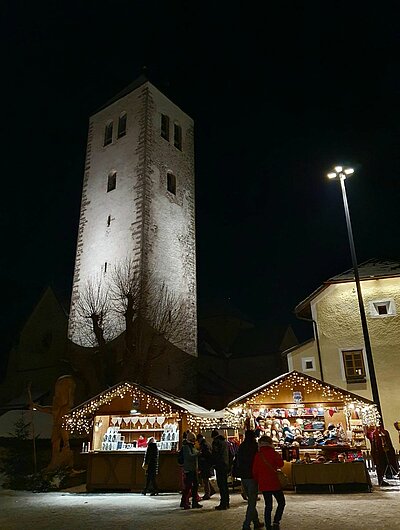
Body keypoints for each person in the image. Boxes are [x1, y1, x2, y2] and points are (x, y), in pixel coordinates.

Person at [253, 435, 286, 530]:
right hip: (274, 482)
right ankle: (276, 521)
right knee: (281, 502)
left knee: (268, 505)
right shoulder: (274, 453)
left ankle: (268, 525)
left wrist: (258, 481)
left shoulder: (258, 455)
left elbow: (254, 471)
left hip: (264, 483)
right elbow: (281, 464)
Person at [236, 430, 264, 530]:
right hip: (252, 475)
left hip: (244, 475)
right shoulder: (255, 446)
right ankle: (246, 524)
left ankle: (256, 522)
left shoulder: (242, 446)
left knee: (251, 500)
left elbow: (238, 460)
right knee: (252, 501)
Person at [180, 431, 203, 509]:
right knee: (188, 486)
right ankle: (184, 502)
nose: (194, 440)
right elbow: (189, 456)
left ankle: (194, 502)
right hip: (189, 469)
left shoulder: (191, 446)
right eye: (193, 439)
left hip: (193, 468)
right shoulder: (186, 446)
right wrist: (197, 454)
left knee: (195, 485)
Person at [211, 428, 230, 510]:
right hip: (225, 464)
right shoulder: (225, 442)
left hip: (220, 465)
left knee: (221, 484)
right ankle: (227, 502)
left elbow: (215, 454)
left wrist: (213, 463)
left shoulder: (216, 442)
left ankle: (223, 503)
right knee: (225, 484)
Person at [196, 433, 216, 499]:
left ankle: (207, 493)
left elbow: (208, 454)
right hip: (207, 464)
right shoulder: (207, 443)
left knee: (205, 479)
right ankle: (211, 490)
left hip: (205, 464)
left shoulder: (204, 445)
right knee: (205, 479)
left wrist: (201, 455)